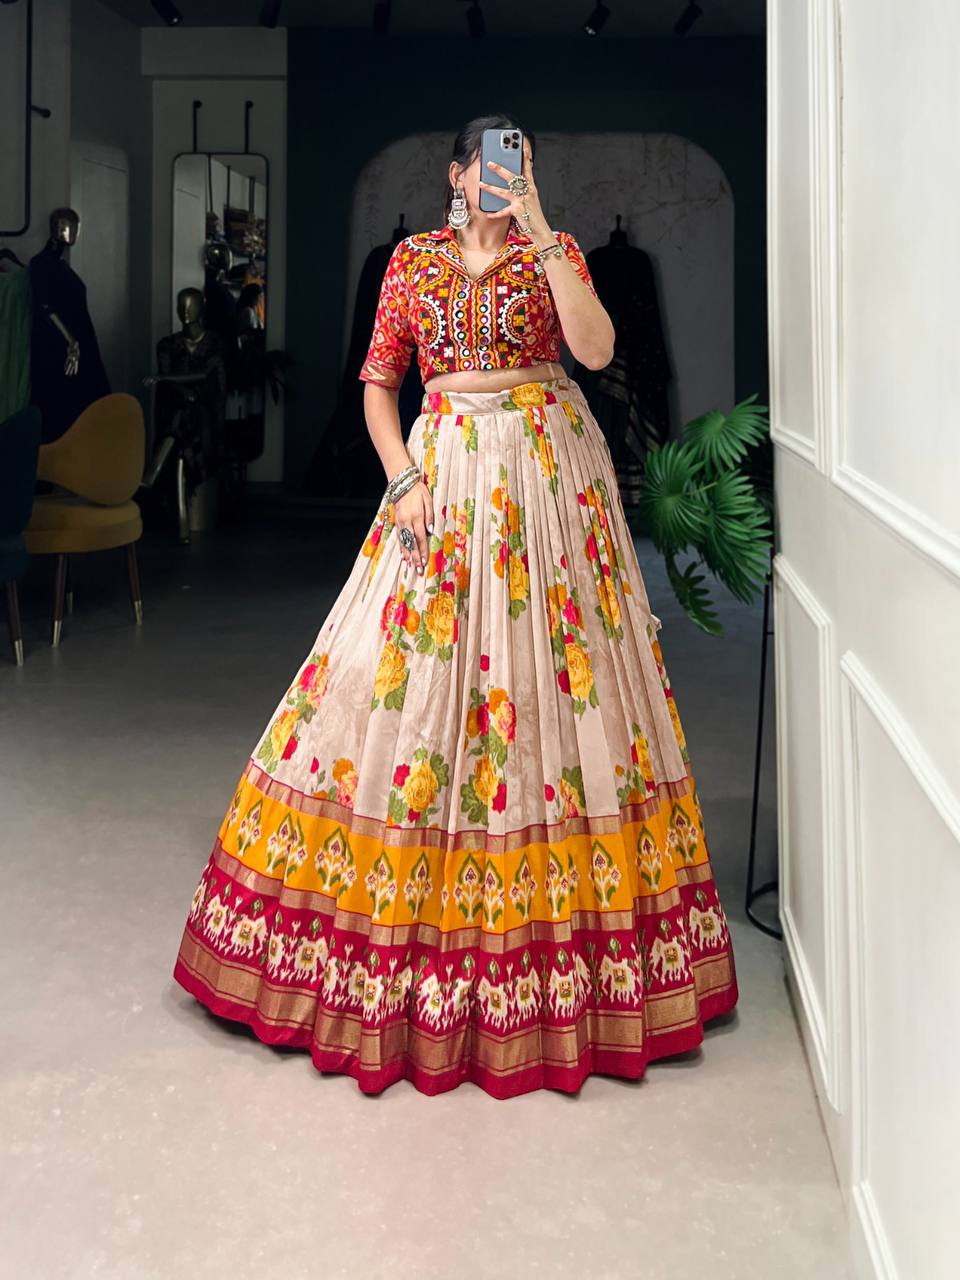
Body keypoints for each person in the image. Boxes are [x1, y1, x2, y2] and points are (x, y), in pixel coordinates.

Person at [172, 113, 740, 1099]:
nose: (506, 178)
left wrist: (545, 231)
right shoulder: (414, 263)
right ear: (456, 172)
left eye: (521, 164)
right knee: (396, 678)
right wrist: (401, 479)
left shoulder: (554, 250)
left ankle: (568, 958)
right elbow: (378, 386)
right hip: (442, 477)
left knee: (557, 690)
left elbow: (598, 351)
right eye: (494, 164)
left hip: (548, 484)